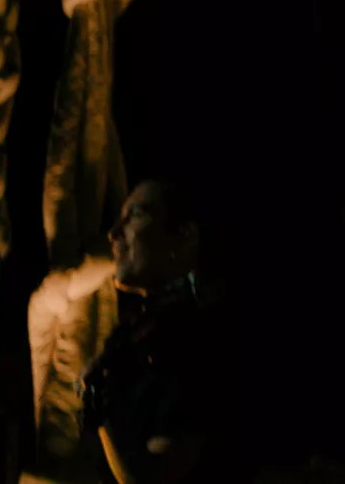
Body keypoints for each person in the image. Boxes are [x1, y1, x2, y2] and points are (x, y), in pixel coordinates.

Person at [81, 179, 234, 483]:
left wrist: (100, 408)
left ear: (186, 237)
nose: (113, 235)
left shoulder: (198, 337)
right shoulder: (143, 333)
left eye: (136, 215)